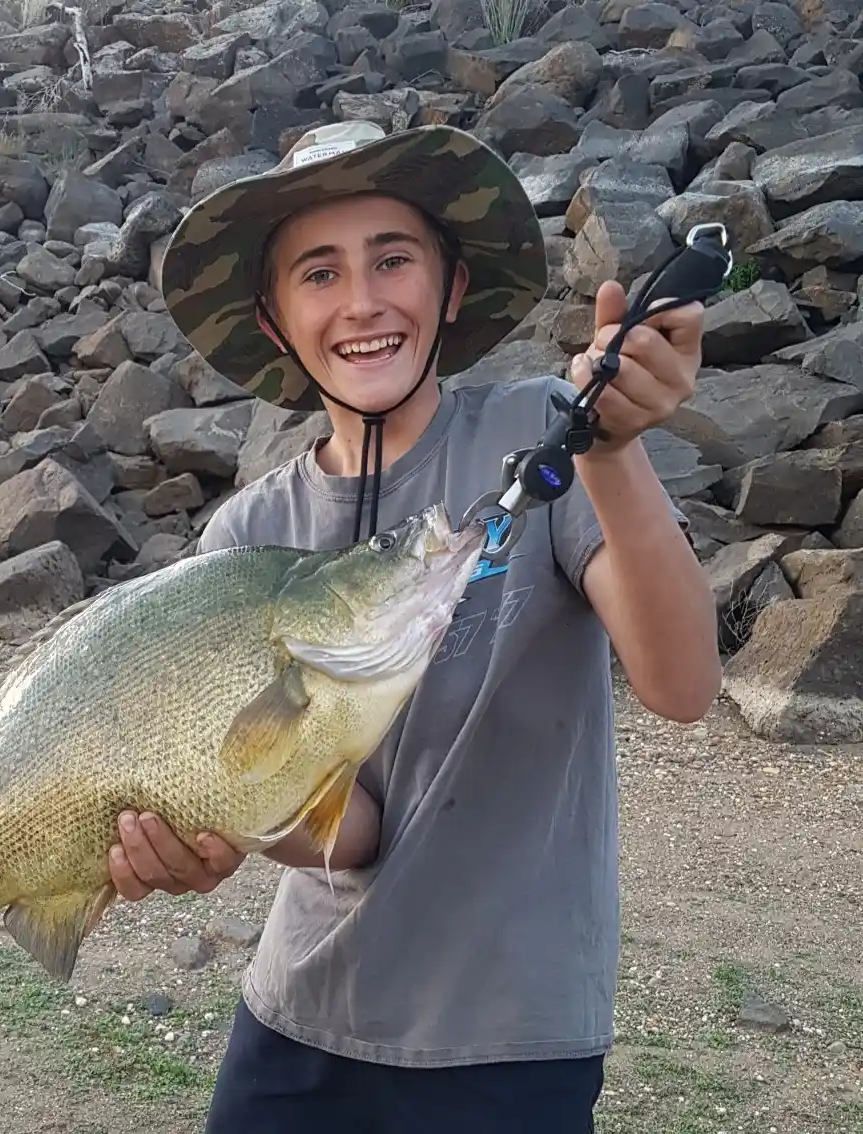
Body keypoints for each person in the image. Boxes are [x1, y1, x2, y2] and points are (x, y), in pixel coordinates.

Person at [105, 120, 722, 1132]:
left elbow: (683, 684)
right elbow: (354, 834)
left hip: (511, 1038)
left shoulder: (542, 435)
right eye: (318, 272)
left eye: (393, 258)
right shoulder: (250, 535)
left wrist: (609, 451)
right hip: (297, 1018)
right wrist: (230, 821)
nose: (361, 301)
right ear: (273, 321)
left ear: (452, 288)